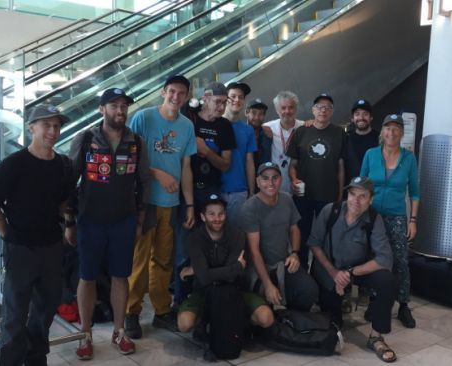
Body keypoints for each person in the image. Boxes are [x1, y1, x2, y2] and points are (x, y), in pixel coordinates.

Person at [65, 88, 152, 359]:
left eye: (124, 106)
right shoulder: (86, 138)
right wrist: (69, 221)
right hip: (90, 221)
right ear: (102, 109)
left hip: (123, 222)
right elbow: (70, 182)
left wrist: (139, 221)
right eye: (114, 105)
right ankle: (85, 334)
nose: (120, 111)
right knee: (87, 277)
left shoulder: (136, 141)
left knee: (120, 276)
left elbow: (143, 184)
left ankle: (119, 331)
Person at [0, 104, 72, 366]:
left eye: (56, 126)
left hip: (51, 248)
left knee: (45, 311)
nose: (53, 131)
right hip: (21, 250)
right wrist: (9, 235)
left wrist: (68, 225)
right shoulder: (13, 165)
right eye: (46, 125)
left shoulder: (63, 165)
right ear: (32, 128)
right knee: (14, 314)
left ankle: (35, 359)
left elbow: (64, 202)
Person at [125, 75, 197, 339]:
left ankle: (161, 310)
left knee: (164, 260)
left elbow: (186, 168)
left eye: (181, 94)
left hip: (171, 204)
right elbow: (130, 158)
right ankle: (131, 312)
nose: (175, 97)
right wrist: (158, 173)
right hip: (145, 202)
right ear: (162, 92)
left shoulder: (187, 126)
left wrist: (189, 204)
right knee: (139, 260)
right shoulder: (143, 119)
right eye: (171, 92)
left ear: (187, 97)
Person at [308, 176, 397, 363]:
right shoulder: (330, 211)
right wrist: (334, 273)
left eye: (362, 196)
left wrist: (349, 273)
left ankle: (376, 337)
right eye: (352, 194)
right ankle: (338, 303)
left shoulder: (374, 218)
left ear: (371, 199)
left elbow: (384, 258)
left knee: (386, 281)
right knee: (334, 321)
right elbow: (314, 244)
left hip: (356, 270)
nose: (355, 201)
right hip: (329, 270)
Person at [176, 194, 274, 352]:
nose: (217, 218)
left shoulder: (237, 235)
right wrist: (235, 267)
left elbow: (225, 276)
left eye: (221, 213)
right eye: (211, 214)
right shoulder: (194, 238)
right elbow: (205, 277)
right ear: (202, 216)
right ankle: (205, 325)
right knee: (184, 323)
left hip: (234, 291)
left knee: (266, 318)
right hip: (204, 292)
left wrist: (204, 270)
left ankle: (240, 327)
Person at [360, 113, 419, 329]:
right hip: (372, 215)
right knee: (373, 258)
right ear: (382, 131)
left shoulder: (409, 158)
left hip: (396, 216)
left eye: (396, 129)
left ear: (401, 133)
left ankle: (403, 305)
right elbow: (361, 186)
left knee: (400, 261)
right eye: (388, 128)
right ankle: (375, 301)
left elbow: (414, 192)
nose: (391, 133)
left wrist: (413, 220)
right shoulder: (371, 154)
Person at [240, 162, 319, 311]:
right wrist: (268, 284)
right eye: (265, 178)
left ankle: (292, 323)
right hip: (259, 268)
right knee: (266, 304)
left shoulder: (286, 199)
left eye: (275, 178)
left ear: (281, 180)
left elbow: (294, 228)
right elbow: (254, 251)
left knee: (309, 291)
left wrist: (295, 253)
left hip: (283, 263)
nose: (270, 183)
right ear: (257, 181)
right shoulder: (249, 208)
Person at [287, 93, 345, 267]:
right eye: (319, 107)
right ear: (313, 110)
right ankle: (302, 271)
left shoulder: (339, 133)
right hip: (304, 195)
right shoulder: (302, 131)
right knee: (302, 234)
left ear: (332, 111)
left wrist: (340, 196)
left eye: (327, 107)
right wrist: (294, 179)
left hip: (328, 195)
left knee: (325, 237)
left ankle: (323, 276)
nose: (323, 110)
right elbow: (292, 164)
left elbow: (341, 168)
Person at [188, 81, 236, 215]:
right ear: (205, 100)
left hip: (211, 187)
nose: (221, 107)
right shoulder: (189, 119)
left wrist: (206, 151)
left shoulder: (225, 126)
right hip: (185, 186)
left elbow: (226, 165)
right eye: (217, 102)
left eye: (225, 102)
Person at [221, 81, 257, 225]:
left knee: (236, 235)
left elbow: (249, 162)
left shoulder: (247, 130)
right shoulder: (213, 125)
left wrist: (252, 191)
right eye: (233, 96)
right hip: (216, 188)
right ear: (226, 98)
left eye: (241, 97)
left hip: (239, 190)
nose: (237, 100)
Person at [261, 91, 304, 194]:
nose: (287, 111)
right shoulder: (267, 127)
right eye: (283, 108)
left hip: (298, 183)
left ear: (296, 109)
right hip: (275, 185)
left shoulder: (304, 127)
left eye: (291, 107)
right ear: (277, 110)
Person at [346, 99, 379, 180]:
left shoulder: (380, 139)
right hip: (351, 189)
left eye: (365, 114)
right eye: (357, 114)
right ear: (352, 118)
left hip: (373, 188)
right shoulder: (346, 139)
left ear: (371, 117)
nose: (361, 118)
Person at [245, 98, 269, 167]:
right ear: (246, 113)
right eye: (254, 112)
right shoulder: (239, 134)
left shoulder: (268, 136)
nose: (257, 117)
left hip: (263, 176)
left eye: (261, 114)